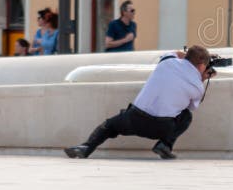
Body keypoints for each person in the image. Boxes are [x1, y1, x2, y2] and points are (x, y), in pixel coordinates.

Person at [64, 45, 215, 160]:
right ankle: (164, 145)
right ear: (203, 66)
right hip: (162, 127)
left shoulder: (167, 62)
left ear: (186, 57)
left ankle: (85, 148)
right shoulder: (198, 86)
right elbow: (191, 106)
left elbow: (173, 54)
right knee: (186, 116)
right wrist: (202, 78)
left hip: (134, 118)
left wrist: (186, 54)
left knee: (109, 125)